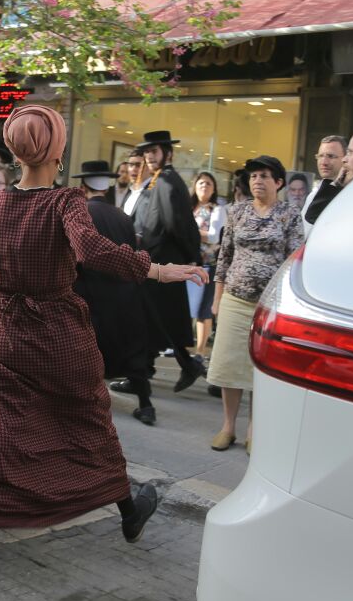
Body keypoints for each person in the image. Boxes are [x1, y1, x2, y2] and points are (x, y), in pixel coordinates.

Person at [0, 105, 207, 601]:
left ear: (14, 151)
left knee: (3, 438)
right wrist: (160, 271)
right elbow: (96, 253)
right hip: (57, 331)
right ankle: (127, 509)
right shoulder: (65, 202)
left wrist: (7, 247)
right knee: (87, 423)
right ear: (56, 150)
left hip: (5, 331)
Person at [208, 156, 304, 452]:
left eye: (264, 176)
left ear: (278, 182)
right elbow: (224, 257)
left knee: (260, 369)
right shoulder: (236, 211)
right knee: (228, 364)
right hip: (235, 299)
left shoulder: (290, 213)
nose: (258, 181)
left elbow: (295, 260)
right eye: (253, 177)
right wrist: (217, 299)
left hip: (271, 304)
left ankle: (254, 430)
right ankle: (228, 426)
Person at [72, 160, 157, 426]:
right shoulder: (122, 217)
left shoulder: (80, 215)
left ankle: (86, 407)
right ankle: (145, 404)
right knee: (132, 352)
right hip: (125, 295)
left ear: (83, 185)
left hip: (91, 294)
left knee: (89, 352)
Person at [130, 130, 206, 394]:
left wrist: (188, 256)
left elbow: (176, 224)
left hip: (162, 262)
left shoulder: (166, 181)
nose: (150, 157)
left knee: (153, 315)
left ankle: (148, 370)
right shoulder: (161, 179)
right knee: (157, 316)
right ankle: (153, 367)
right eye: (147, 152)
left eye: (154, 151)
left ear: (168, 153)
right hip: (159, 259)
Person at [187, 172, 227, 360]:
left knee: (204, 310)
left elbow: (214, 237)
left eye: (209, 183)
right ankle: (179, 344)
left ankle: (200, 351)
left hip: (207, 264)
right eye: (201, 182)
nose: (205, 186)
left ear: (214, 188)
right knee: (185, 306)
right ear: (195, 186)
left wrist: (191, 233)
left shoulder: (217, 210)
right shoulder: (188, 207)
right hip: (186, 263)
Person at [301, 135, 346, 235]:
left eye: (330, 156)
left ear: (345, 159)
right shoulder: (313, 195)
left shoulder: (351, 194)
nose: (324, 162)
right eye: (320, 156)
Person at [121, 152, 145, 217]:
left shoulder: (152, 193)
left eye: (138, 165)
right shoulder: (129, 192)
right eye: (131, 165)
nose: (133, 169)